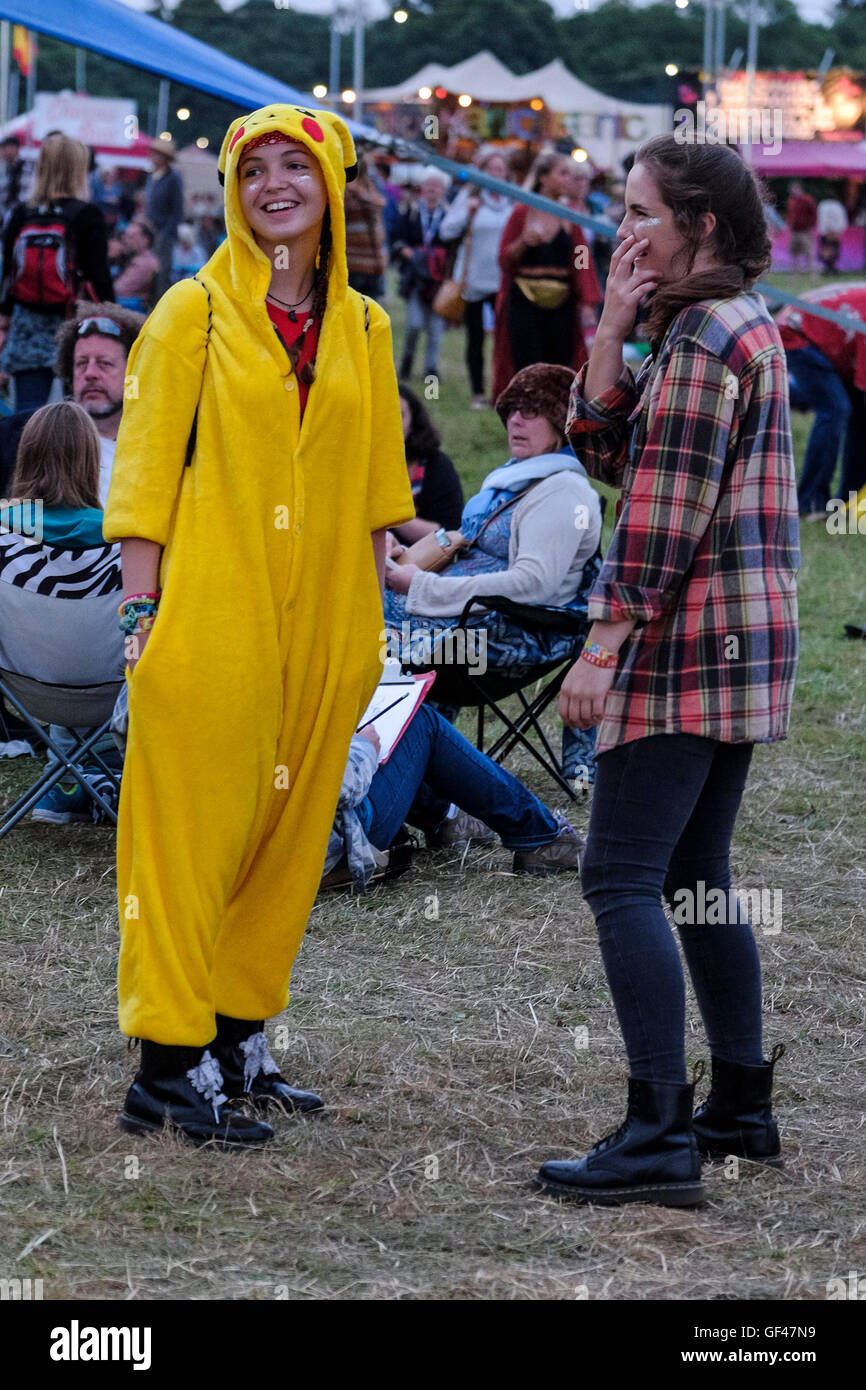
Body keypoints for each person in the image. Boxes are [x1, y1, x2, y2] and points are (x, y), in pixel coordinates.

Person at [101, 103, 415, 1148]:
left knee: (286, 847)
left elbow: (379, 493)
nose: (274, 183)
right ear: (230, 193)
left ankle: (239, 1041)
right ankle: (166, 1065)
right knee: (189, 844)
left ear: (331, 187)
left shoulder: (366, 329)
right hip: (207, 618)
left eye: (296, 165)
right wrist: (142, 622)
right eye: (252, 170)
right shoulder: (188, 313)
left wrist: (368, 628)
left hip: (327, 627)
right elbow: (141, 484)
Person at [536, 134, 800, 1208]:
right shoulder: (727, 322)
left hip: (683, 641)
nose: (620, 226)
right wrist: (605, 324)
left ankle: (655, 1130)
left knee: (619, 878)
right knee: (695, 876)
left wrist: (602, 644)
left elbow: (655, 517)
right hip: (739, 642)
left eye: (640, 209)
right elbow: (610, 451)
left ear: (698, 226)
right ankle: (736, 1104)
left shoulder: (699, 342)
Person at [384, 363, 602, 783]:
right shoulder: (514, 478)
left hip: (518, 637)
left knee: (372, 637)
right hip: (475, 622)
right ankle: (407, 765)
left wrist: (423, 586)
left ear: (561, 422)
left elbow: (532, 584)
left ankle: (404, 768)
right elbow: (470, 545)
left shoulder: (564, 490)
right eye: (512, 410)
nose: (516, 420)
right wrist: (409, 556)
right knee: (359, 609)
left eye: (532, 411)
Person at [0, 401, 124, 822]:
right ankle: (78, 780)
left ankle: (63, 781)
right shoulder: (122, 537)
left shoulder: (5, 530)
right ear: (91, 462)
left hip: (26, 689)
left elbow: (28, 516)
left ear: (27, 455)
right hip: (109, 692)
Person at [322, 705, 584, 893]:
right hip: (329, 840)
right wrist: (363, 749)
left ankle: (447, 818)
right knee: (422, 722)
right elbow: (338, 788)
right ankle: (541, 837)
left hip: (301, 838)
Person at [0, 134, 114, 412]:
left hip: (27, 324)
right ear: (79, 169)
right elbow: (100, 278)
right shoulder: (87, 215)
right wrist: (112, 320)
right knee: (76, 412)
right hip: (75, 322)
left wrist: (4, 321)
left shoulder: (20, 214)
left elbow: (7, 275)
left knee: (27, 414)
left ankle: (24, 456)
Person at [0, 303, 144, 503]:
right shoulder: (19, 435)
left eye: (105, 364)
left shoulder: (154, 446)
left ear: (134, 373)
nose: (90, 374)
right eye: (81, 363)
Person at [492, 152, 601, 402]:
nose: (567, 179)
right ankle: (525, 410)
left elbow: (581, 258)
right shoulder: (522, 212)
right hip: (524, 299)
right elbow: (505, 258)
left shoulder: (569, 216)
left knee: (559, 363)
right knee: (526, 361)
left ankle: (555, 414)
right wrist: (523, 242)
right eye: (562, 173)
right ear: (544, 177)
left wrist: (587, 301)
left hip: (562, 302)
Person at [777, 280, 866, 519]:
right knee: (835, 409)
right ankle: (811, 502)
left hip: (824, 334)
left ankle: (851, 501)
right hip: (797, 334)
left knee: (858, 416)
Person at [439, 147, 512, 407]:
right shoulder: (470, 197)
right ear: (482, 172)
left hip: (502, 279)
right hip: (472, 279)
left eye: (501, 170)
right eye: (491, 169)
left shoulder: (511, 201)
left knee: (504, 339)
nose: (496, 174)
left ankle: (502, 389)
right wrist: (467, 213)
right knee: (476, 338)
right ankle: (478, 393)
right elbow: (446, 231)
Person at [392, 169, 450, 381]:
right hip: (415, 277)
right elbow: (396, 238)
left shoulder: (448, 215)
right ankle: (407, 361)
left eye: (436, 186)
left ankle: (431, 369)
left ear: (443, 190)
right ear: (422, 189)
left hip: (438, 280)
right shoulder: (411, 212)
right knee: (414, 324)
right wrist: (407, 252)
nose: (432, 190)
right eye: (428, 185)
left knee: (436, 327)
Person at [393, 383, 464, 541]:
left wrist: (391, 514)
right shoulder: (357, 463)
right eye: (382, 414)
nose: (391, 423)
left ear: (413, 424)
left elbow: (449, 538)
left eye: (399, 415)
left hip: (423, 562)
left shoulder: (436, 465)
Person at [344, 152, 388, 300]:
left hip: (350, 261)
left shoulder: (345, 194)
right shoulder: (371, 192)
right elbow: (377, 234)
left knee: (351, 311)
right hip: (373, 262)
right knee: (369, 311)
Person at [143, 137, 183, 299]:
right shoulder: (153, 176)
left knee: (161, 273)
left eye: (155, 153)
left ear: (164, 157)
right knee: (150, 273)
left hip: (164, 234)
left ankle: (160, 305)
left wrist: (166, 234)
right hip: (150, 233)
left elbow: (177, 210)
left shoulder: (173, 178)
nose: (151, 156)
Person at [113, 219, 160, 309]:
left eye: (131, 237)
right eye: (125, 236)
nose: (125, 240)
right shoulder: (133, 258)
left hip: (131, 312)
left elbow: (119, 290)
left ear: (145, 240)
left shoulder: (144, 263)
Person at [786, 180, 817, 273]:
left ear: (799, 189)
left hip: (804, 231)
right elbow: (791, 215)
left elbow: (814, 214)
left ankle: (813, 271)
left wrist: (810, 226)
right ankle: (795, 271)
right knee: (794, 252)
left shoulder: (807, 199)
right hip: (794, 231)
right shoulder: (791, 201)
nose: (793, 192)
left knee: (809, 252)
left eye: (795, 189)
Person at [816, 196, 848, 275]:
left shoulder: (837, 206)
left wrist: (837, 231)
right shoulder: (824, 205)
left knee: (834, 251)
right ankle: (827, 267)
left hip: (834, 232)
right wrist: (825, 231)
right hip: (827, 232)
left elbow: (841, 219)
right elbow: (821, 219)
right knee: (826, 251)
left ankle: (832, 267)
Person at [0, 134, 25, 218]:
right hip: (5, 212)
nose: (2, 151)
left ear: (15, 148)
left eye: (4, 148)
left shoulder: (26, 166)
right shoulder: (3, 168)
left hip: (20, 211)